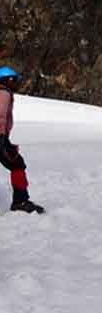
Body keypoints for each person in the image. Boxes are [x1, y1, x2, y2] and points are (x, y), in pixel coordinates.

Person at [0, 67, 44, 214]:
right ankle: (20, 201)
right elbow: (0, 117)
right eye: (14, 80)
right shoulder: (4, 93)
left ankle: (21, 200)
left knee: (17, 163)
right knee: (18, 164)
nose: (16, 84)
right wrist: (2, 140)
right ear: (8, 80)